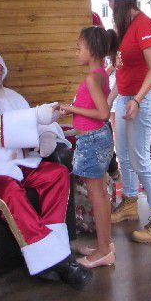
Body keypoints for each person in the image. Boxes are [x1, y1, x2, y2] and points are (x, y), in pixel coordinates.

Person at [0, 51, 92, 289]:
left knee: (56, 174)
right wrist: (40, 114)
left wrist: (47, 133)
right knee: (9, 191)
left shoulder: (11, 97)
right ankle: (58, 261)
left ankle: (55, 248)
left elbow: (31, 122)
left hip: (18, 163)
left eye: (1, 67)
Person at [105, 0, 151, 243]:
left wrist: (136, 100)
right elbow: (124, 69)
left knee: (140, 159)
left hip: (142, 100)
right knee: (123, 154)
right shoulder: (124, 26)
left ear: (120, 2)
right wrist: (113, 97)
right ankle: (130, 202)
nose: (109, 7)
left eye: (110, 2)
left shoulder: (144, 25)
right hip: (126, 97)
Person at [58, 27, 117, 269]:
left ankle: (103, 251)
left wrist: (71, 109)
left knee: (97, 195)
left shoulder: (93, 77)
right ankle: (106, 244)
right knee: (100, 193)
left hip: (93, 140)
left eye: (79, 47)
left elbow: (103, 113)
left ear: (92, 50)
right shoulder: (101, 73)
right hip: (95, 138)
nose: (76, 52)